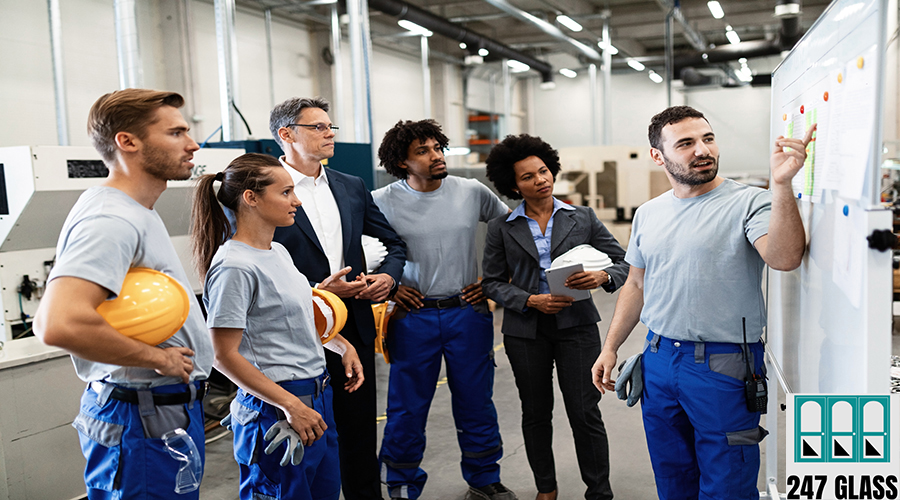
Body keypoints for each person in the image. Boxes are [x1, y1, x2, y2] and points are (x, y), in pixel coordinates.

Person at [591, 106, 813, 500]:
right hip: (658, 358)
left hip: (724, 365)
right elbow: (636, 284)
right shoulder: (649, 213)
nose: (702, 150)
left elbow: (784, 258)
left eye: (708, 139)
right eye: (686, 143)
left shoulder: (750, 203)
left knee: (728, 482)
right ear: (658, 155)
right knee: (672, 477)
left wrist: (781, 187)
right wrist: (611, 347)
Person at [32, 89, 213, 499]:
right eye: (176, 133)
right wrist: (158, 357)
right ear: (127, 142)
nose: (193, 144)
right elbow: (59, 322)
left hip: (160, 411)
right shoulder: (111, 218)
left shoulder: (134, 211)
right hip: (140, 417)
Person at [191, 152, 364, 500]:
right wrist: (291, 405)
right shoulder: (234, 266)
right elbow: (221, 355)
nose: (296, 200)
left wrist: (341, 345)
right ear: (251, 198)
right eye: (285, 192)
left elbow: (294, 319)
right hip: (278, 409)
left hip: (314, 400)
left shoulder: (278, 253)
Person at [269, 97, 406, 500]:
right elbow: (256, 257)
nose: (330, 134)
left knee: (359, 431)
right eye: (318, 127)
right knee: (302, 437)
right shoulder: (264, 187)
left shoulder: (351, 186)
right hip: (292, 332)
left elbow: (393, 243)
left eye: (331, 127)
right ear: (286, 134)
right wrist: (317, 293)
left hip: (355, 327)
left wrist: (387, 277)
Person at [371, 119, 514, 500]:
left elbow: (511, 232)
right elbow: (361, 253)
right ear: (402, 162)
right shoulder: (381, 201)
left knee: (476, 401)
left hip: (468, 313)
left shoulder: (470, 191)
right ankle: (401, 483)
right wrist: (392, 288)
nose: (436, 156)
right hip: (411, 318)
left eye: (438, 148)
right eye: (424, 151)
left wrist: (491, 281)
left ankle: (484, 479)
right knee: (406, 407)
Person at [481, 134, 628, 500]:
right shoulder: (502, 227)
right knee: (535, 413)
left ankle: (599, 490)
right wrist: (531, 300)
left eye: (543, 171)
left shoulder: (582, 218)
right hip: (525, 331)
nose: (540, 180)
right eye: (528, 176)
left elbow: (625, 261)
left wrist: (603, 276)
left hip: (577, 326)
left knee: (584, 412)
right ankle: (546, 488)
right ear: (514, 185)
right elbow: (493, 283)